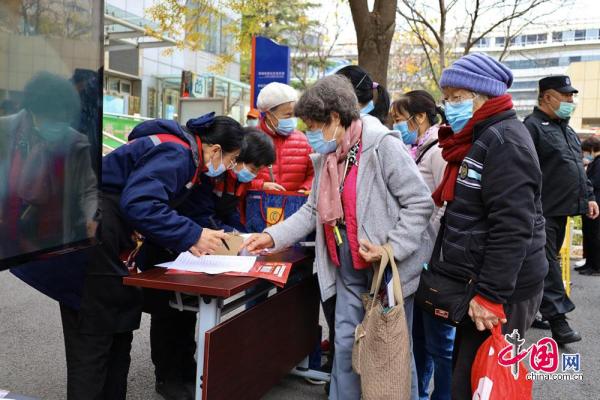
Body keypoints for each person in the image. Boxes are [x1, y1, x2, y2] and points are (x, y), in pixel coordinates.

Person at [243, 74, 434, 400]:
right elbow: (312, 210)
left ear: (334, 119)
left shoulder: (382, 145)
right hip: (344, 263)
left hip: (384, 270)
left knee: (391, 353)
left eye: (312, 125)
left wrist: (392, 247)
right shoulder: (329, 157)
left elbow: (420, 202)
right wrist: (270, 236)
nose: (308, 133)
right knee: (345, 346)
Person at [61, 112, 244, 400]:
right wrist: (192, 235)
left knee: (119, 330)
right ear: (216, 149)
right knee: (95, 337)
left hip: (109, 237)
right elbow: (141, 203)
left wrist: (194, 233)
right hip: (96, 236)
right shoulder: (178, 152)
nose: (230, 167)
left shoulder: (187, 157)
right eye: (232, 160)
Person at [433, 53, 548, 399]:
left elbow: (513, 226)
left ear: (483, 95)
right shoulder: (481, 137)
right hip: (480, 281)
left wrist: (491, 296)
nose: (449, 106)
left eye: (457, 97)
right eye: (447, 98)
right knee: (472, 379)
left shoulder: (504, 140)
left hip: (502, 291)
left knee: (484, 383)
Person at [138, 127, 275, 400]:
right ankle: (166, 376)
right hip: (172, 248)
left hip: (201, 252)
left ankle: (187, 369)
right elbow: (200, 215)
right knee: (168, 312)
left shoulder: (234, 178)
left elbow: (231, 214)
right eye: (251, 165)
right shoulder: (207, 175)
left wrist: (239, 234)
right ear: (234, 156)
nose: (254, 173)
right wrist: (229, 235)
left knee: (188, 312)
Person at [523, 75, 599, 344]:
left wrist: (588, 197)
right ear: (546, 97)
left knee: (540, 263)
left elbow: (577, 169)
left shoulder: (566, 130)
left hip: (562, 210)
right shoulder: (531, 127)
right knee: (547, 265)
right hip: (541, 211)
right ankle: (559, 321)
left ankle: (529, 311)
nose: (570, 101)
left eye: (572, 96)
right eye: (565, 96)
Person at [391, 91, 453, 400]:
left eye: (400, 119)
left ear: (419, 118)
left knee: (439, 341)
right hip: (420, 252)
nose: (397, 125)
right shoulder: (417, 147)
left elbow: (445, 206)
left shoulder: (438, 150)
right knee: (420, 335)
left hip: (434, 255)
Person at [0, 71, 97, 259]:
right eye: (52, 119)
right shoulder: (4, 132)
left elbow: (88, 190)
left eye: (64, 119)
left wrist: (91, 218)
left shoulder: (76, 143)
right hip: (6, 243)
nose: (59, 125)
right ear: (33, 111)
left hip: (53, 244)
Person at [251, 82, 313, 192]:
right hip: (260, 204)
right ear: (269, 115)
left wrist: (305, 189)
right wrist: (261, 185)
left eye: (294, 115)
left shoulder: (303, 140)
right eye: (288, 115)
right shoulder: (251, 139)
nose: (292, 119)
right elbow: (237, 176)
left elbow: (313, 174)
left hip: (296, 206)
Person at [579, 136, 600, 275]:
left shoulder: (599, 162)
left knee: (595, 235)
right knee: (588, 234)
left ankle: (596, 266)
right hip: (591, 203)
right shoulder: (595, 162)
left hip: (597, 202)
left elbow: (594, 181)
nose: (586, 154)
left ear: (592, 150)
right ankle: (589, 263)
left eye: (586, 151)